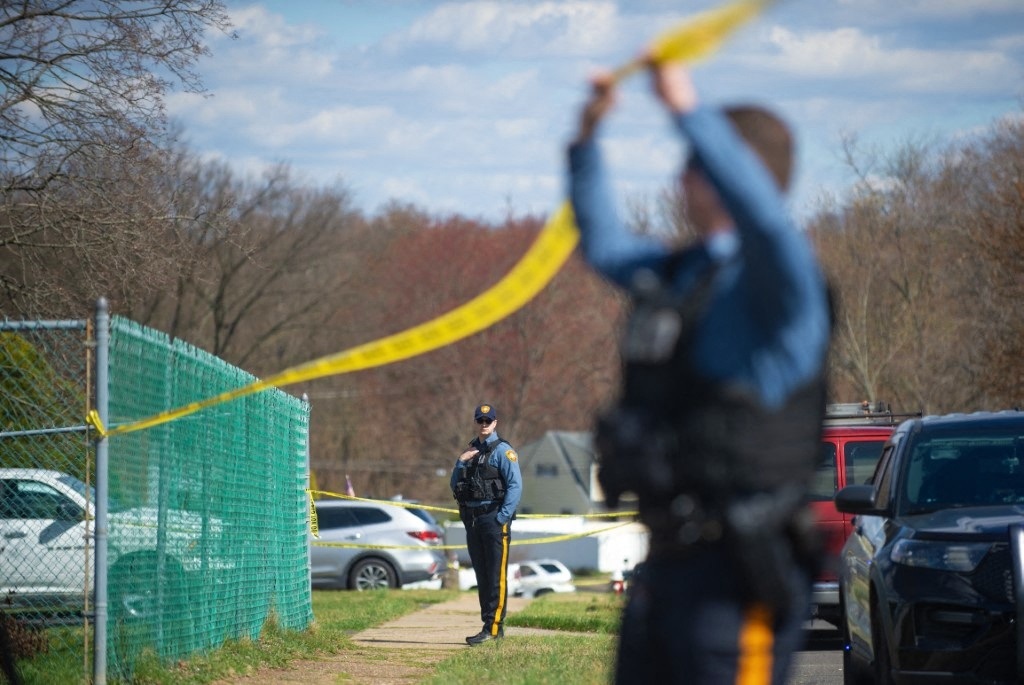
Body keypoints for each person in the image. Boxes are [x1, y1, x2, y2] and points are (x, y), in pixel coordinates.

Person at [568, 58, 832, 684]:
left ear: (723, 171)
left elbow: (766, 220)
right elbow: (603, 242)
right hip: (666, 565)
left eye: (692, 164)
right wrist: (585, 137)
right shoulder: (685, 274)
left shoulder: (783, 287)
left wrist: (689, 110)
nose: (679, 177)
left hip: (736, 576)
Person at [450, 403, 523, 646]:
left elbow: (515, 486)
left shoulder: (503, 451)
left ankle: (493, 627)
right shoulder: (470, 451)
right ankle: (488, 626)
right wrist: (460, 462)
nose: (484, 424)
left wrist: (502, 516)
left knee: (495, 575)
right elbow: (454, 484)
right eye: (480, 420)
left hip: (494, 518)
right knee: (482, 575)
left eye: (488, 420)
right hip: (473, 519)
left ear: (495, 423)